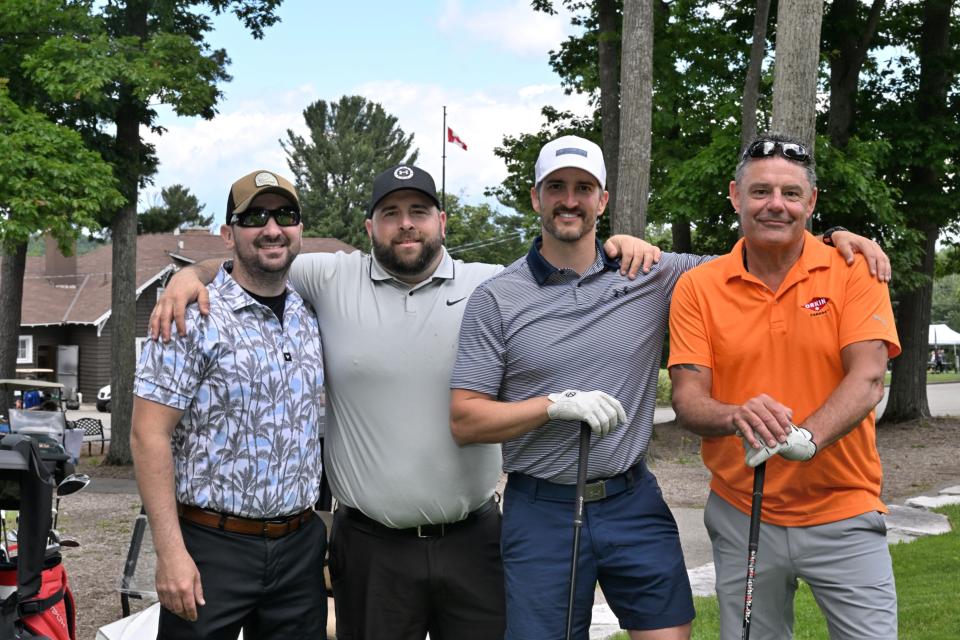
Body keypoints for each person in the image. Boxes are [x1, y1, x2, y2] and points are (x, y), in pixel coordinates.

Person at [148, 162, 661, 640]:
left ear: (442, 221)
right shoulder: (329, 277)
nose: (406, 225)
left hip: (473, 539)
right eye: (390, 214)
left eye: (418, 212)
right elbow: (254, 259)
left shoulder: (497, 286)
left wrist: (617, 244)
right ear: (370, 227)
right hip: (371, 547)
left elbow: (567, 263)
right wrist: (187, 276)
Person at [448, 134, 892, 640]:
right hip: (541, 505)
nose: (569, 199)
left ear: (603, 201)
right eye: (556, 187)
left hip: (629, 498)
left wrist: (838, 236)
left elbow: (764, 251)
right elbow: (465, 420)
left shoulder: (654, 273)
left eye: (583, 187)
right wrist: (552, 406)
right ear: (536, 197)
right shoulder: (496, 298)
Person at [667, 133, 901, 639]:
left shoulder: (853, 269)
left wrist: (806, 438)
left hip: (845, 507)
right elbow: (688, 399)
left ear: (811, 202)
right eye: (760, 192)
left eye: (791, 194)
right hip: (741, 509)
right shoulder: (698, 287)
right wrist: (737, 417)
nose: (776, 205)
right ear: (735, 196)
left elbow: (867, 377)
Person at [131, 169, 327, 639]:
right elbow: (147, 434)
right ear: (228, 233)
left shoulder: (312, 313)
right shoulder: (191, 315)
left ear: (300, 228)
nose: (272, 228)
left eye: (285, 215)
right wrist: (170, 553)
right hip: (210, 545)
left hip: (299, 547)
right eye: (254, 216)